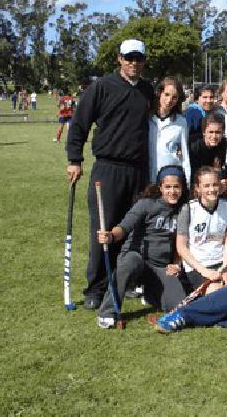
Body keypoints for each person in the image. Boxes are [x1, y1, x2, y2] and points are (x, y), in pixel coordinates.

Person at [66, 38, 154, 310]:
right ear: (119, 59)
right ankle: (96, 288)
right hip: (107, 168)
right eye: (129, 58)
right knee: (102, 229)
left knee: (131, 231)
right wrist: (75, 159)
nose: (133, 63)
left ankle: (124, 281)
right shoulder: (102, 87)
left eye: (138, 58)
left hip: (138, 170)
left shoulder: (148, 91)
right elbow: (79, 123)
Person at [94, 166, 191, 328]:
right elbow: (124, 227)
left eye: (176, 187)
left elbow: (182, 243)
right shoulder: (146, 204)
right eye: (167, 187)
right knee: (130, 262)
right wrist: (110, 236)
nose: (172, 191)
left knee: (179, 306)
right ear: (160, 188)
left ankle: (151, 294)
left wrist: (176, 263)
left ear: (182, 188)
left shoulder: (185, 209)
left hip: (161, 265)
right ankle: (107, 312)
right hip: (136, 258)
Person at [176, 166, 227, 296]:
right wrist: (204, 271)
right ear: (198, 188)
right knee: (217, 292)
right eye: (206, 186)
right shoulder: (188, 210)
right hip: (198, 266)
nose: (212, 189)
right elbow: (181, 247)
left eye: (215, 185)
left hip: (221, 262)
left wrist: (226, 268)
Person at [148, 77, 193, 184]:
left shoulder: (180, 122)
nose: (169, 100)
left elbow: (185, 156)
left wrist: (187, 183)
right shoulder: (147, 119)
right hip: (148, 178)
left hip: (170, 180)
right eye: (166, 94)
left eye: (174, 97)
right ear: (159, 93)